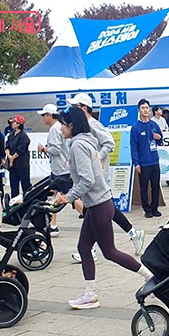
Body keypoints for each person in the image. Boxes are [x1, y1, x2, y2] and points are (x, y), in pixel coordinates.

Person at [53, 106, 154, 309]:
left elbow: (87, 180)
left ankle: (150, 276)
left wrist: (68, 197)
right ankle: (90, 294)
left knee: (109, 252)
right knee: (84, 247)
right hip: (97, 203)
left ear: (71, 125)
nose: (61, 128)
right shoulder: (84, 142)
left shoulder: (78, 145)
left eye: (62, 125)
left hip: (99, 205)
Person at [68, 93, 145, 258]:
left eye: (75, 106)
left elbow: (109, 141)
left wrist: (98, 156)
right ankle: (132, 233)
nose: (72, 110)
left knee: (97, 209)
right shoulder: (81, 126)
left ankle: (90, 249)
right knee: (101, 210)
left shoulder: (92, 124)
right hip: (92, 175)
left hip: (96, 175)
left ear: (84, 108)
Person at [37, 103, 73, 236]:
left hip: (60, 170)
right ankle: (53, 225)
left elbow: (56, 149)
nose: (43, 118)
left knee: (70, 197)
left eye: (44, 115)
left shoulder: (54, 129)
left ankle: (87, 216)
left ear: (50, 115)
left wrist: (44, 149)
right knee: (55, 195)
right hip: (61, 168)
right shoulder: (60, 127)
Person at [131, 99, 164, 218]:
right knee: (144, 187)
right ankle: (147, 209)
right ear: (139, 110)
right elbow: (133, 147)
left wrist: (159, 138)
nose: (145, 110)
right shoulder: (135, 128)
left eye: (147, 108)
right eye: (143, 108)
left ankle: (155, 208)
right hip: (143, 163)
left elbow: (161, 140)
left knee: (155, 186)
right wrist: (136, 163)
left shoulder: (154, 125)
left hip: (154, 161)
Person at [4, 115, 31, 198]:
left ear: (19, 124)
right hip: (13, 166)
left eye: (14, 122)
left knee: (25, 185)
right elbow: (7, 146)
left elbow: (21, 149)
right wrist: (9, 156)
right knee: (14, 185)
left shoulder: (23, 136)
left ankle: (27, 201)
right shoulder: (11, 135)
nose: (12, 123)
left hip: (22, 164)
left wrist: (12, 158)